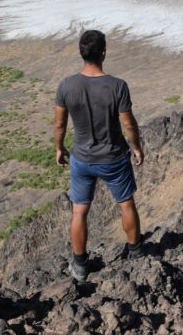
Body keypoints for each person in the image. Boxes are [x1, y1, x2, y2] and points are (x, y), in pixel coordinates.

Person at [55, 29, 145, 281]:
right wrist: (136, 147)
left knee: (79, 212)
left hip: (82, 159)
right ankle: (136, 251)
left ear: (81, 53)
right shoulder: (117, 86)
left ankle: (80, 265)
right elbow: (129, 125)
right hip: (114, 158)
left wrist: (59, 147)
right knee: (126, 204)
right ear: (104, 53)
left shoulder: (66, 86)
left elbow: (60, 124)